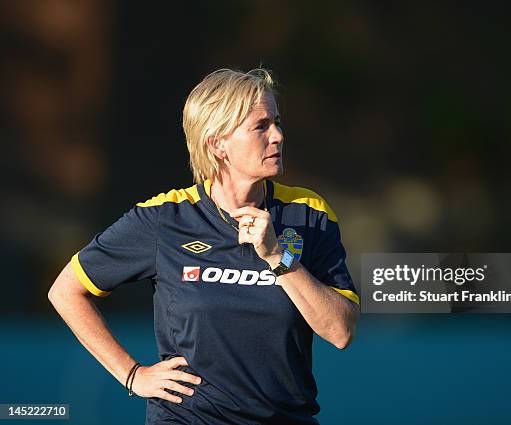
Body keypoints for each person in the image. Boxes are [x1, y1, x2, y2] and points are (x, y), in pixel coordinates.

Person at [48, 68, 360, 425]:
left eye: (277, 122)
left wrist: (278, 257)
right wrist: (132, 374)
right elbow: (65, 292)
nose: (277, 136)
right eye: (260, 127)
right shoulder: (163, 219)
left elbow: (341, 331)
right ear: (217, 144)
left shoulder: (307, 214)